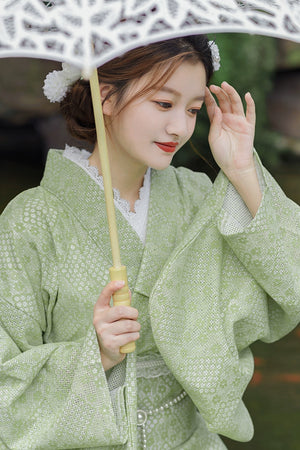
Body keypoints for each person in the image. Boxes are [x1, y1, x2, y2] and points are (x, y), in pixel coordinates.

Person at [0, 35, 299, 450]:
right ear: (106, 96)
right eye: (163, 103)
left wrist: (242, 170)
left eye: (193, 110)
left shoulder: (197, 197)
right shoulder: (30, 221)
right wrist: (96, 354)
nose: (180, 127)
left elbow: (291, 285)